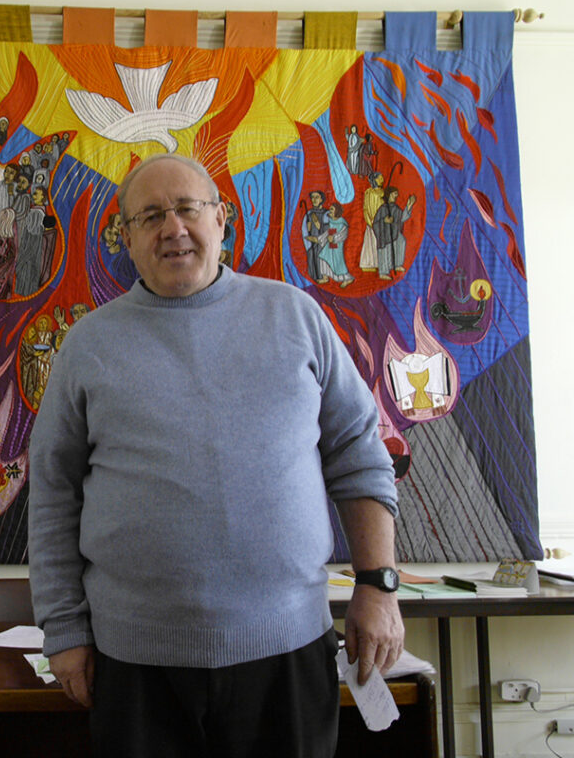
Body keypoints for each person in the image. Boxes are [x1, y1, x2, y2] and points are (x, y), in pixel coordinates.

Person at [28, 153, 404, 758]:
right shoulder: (87, 344)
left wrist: (378, 586)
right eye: (149, 215)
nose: (172, 228)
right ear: (126, 238)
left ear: (221, 219)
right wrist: (64, 630)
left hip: (288, 651)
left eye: (186, 208)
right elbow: (51, 495)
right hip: (134, 665)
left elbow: (361, 457)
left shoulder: (297, 316)